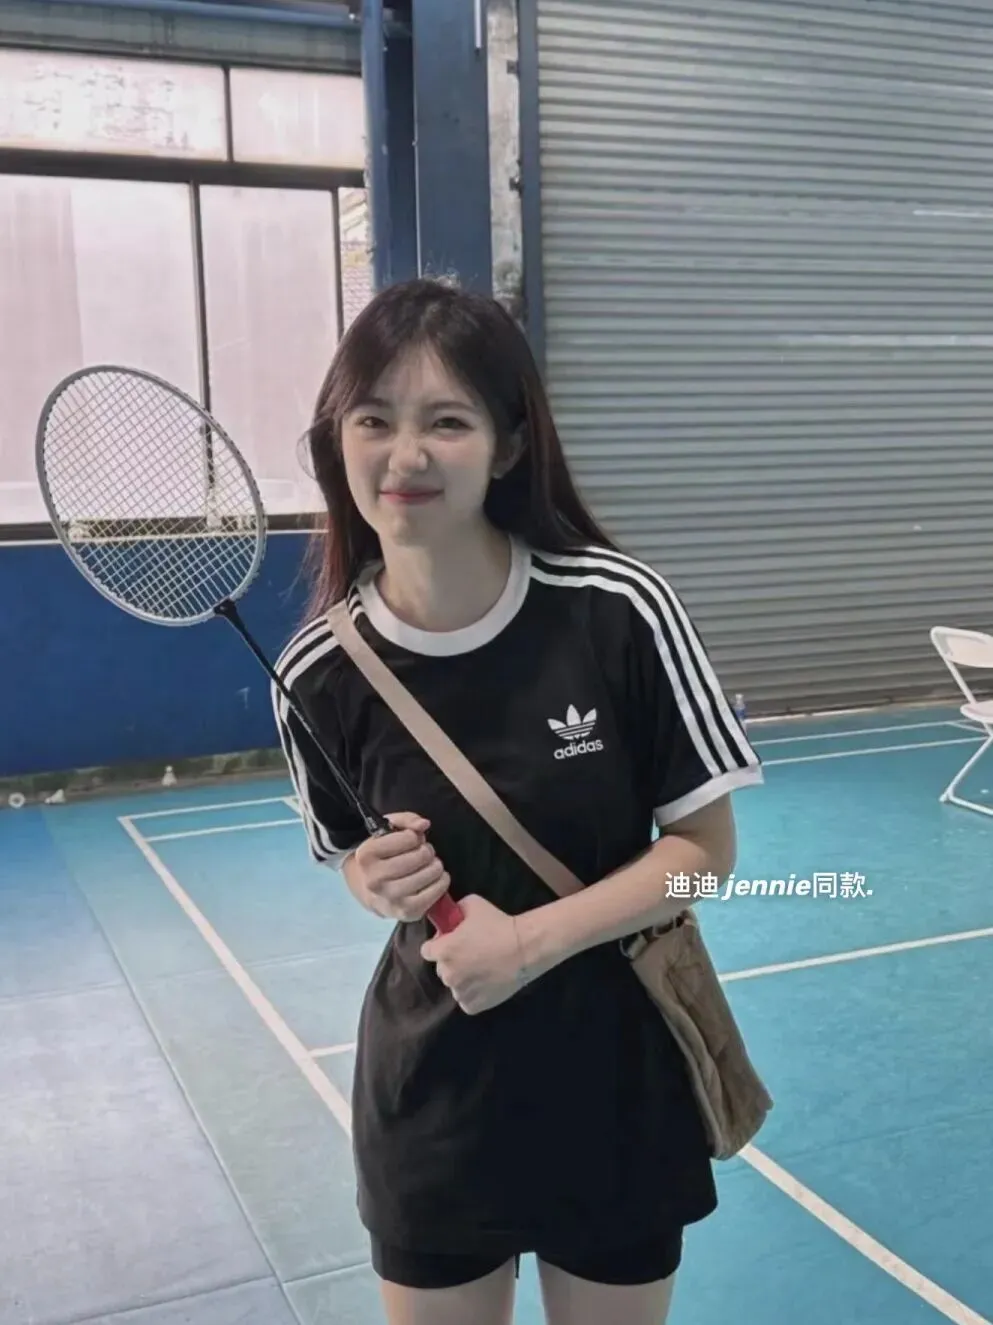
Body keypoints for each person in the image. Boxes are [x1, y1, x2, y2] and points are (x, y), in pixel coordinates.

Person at [271, 276, 763, 1325]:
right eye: (374, 419)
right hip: (432, 1098)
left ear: (506, 445)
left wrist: (529, 942)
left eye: (446, 421)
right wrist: (373, 876)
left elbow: (703, 849)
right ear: (335, 441)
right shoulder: (316, 673)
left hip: (615, 1078)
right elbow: (352, 858)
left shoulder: (617, 609)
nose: (404, 455)